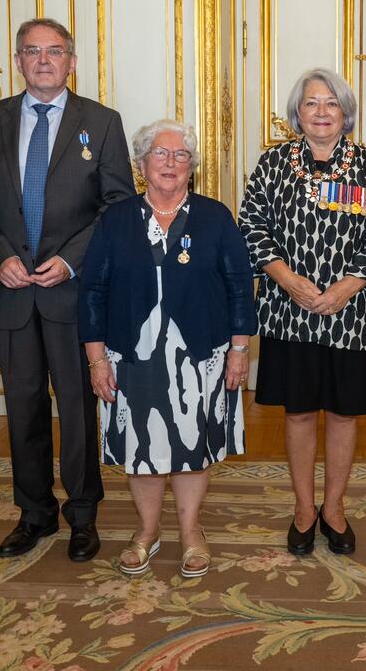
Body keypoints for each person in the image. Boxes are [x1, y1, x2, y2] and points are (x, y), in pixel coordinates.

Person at [0, 18, 134, 562]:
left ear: (72, 60)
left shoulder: (102, 122)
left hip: (72, 293)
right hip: (13, 292)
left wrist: (70, 260)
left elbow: (116, 207)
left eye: (54, 51)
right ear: (17, 60)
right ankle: (34, 512)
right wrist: (0, 257)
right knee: (22, 408)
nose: (43, 61)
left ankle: (83, 516)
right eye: (32, 52)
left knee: (79, 408)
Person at [79, 120, 255, 578]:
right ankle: (147, 531)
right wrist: (96, 358)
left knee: (193, 442)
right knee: (141, 445)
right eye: (160, 153)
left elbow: (240, 287)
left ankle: (192, 531)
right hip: (131, 355)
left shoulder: (215, 216)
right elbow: (92, 292)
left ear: (192, 166)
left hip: (199, 353)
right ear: (142, 164)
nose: (171, 163)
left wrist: (240, 350)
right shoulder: (115, 221)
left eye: (181, 156)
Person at [238, 68, 366, 556]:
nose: (322, 111)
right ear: (297, 114)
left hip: (353, 314)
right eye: (312, 103)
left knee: (345, 414)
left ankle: (334, 506)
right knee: (300, 412)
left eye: (331, 103)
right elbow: (251, 227)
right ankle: (304, 507)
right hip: (291, 314)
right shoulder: (273, 165)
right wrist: (287, 280)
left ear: (345, 113)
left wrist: (347, 288)